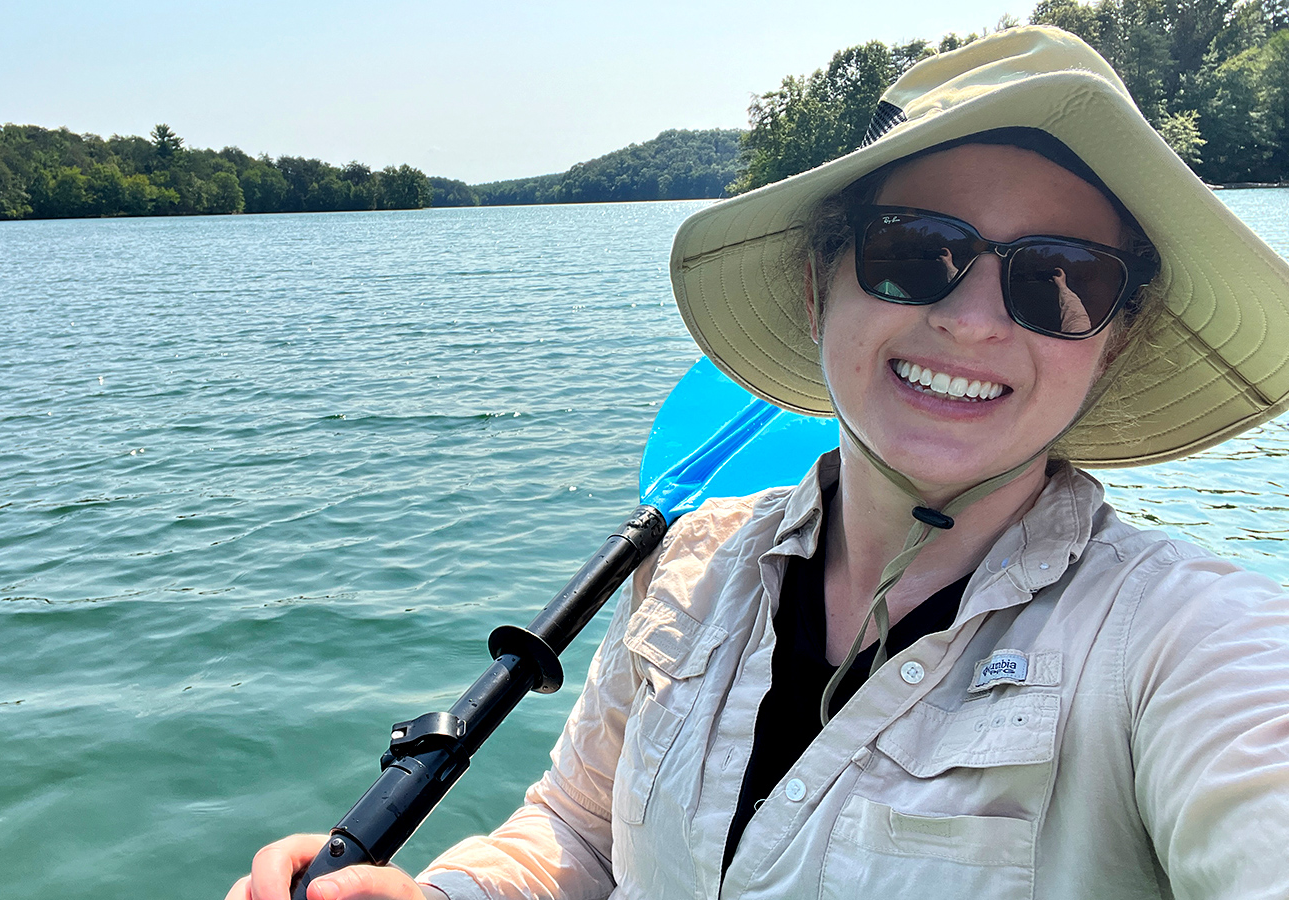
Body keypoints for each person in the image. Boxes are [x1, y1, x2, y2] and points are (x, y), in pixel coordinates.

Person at [229, 26, 1289, 900]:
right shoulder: (693, 564)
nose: (970, 322)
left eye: (1060, 280)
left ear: (1114, 341)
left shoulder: (1181, 645)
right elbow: (582, 832)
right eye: (916, 251)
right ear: (820, 278)